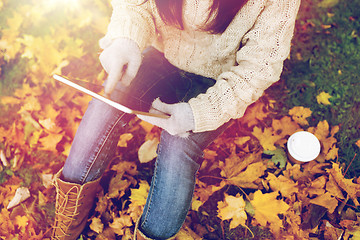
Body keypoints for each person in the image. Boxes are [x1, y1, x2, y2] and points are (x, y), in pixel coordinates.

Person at [51, 0, 301, 239]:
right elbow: (135, 5)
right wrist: (126, 41)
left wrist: (198, 114)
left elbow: (259, 68)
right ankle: (67, 220)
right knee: (105, 103)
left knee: (178, 147)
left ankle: (153, 235)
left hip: (220, 82)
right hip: (162, 58)